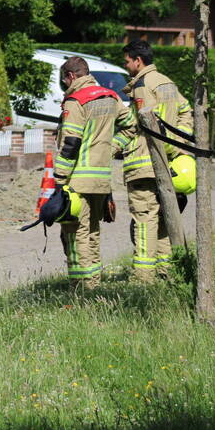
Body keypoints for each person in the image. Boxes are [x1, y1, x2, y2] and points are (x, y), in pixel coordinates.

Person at [114, 39, 193, 282]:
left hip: (143, 163)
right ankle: (164, 272)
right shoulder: (167, 82)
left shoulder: (143, 85)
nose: (126, 66)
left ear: (138, 61)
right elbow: (185, 112)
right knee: (161, 220)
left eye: (127, 61)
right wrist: (174, 146)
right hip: (166, 163)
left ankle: (143, 277)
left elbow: (146, 122)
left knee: (144, 219)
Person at [55, 56, 134, 289]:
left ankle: (80, 288)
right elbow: (131, 125)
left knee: (74, 233)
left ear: (71, 77)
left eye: (64, 81)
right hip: (101, 179)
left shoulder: (75, 101)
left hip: (78, 179)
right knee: (92, 231)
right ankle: (94, 282)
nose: (65, 85)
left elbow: (70, 145)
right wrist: (112, 147)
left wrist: (59, 180)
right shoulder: (110, 96)